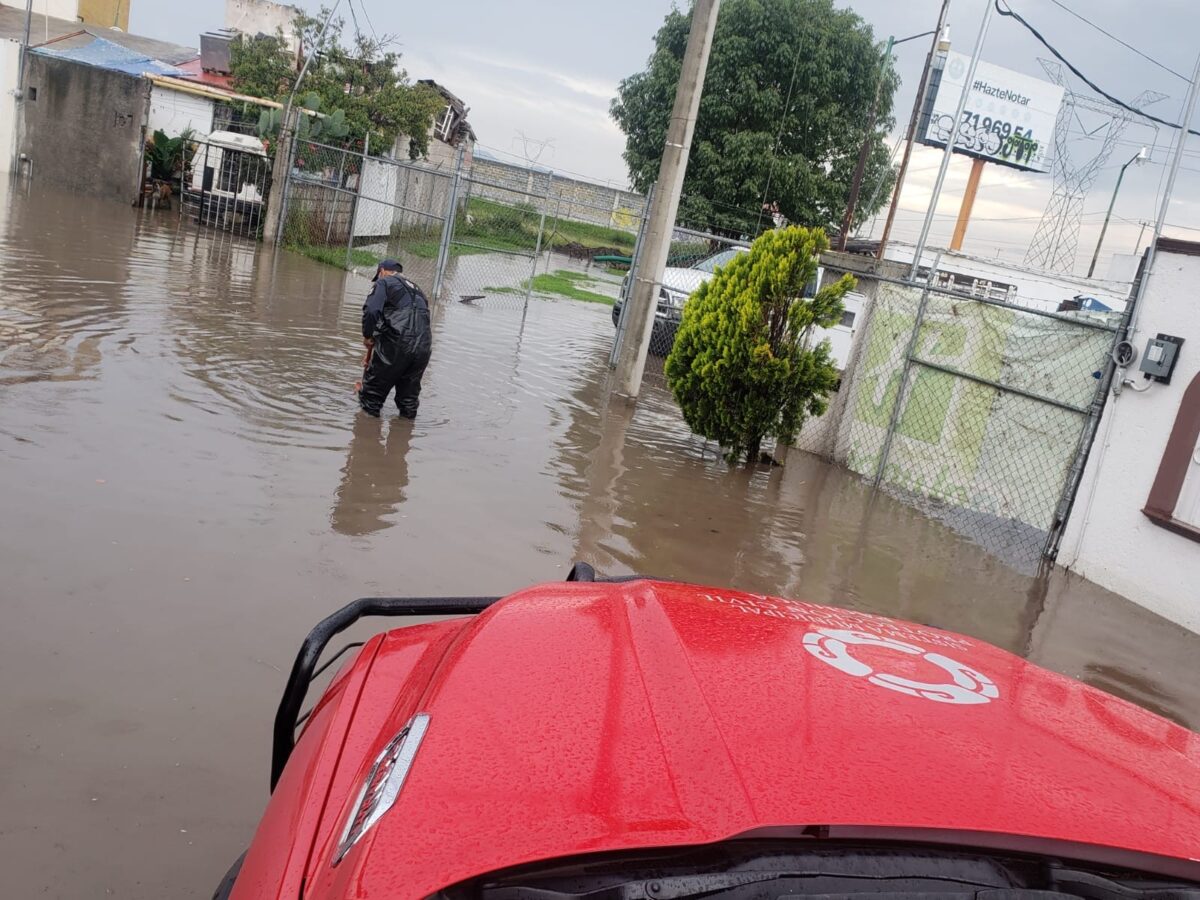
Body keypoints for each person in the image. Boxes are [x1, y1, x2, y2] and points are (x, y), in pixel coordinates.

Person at [358, 259, 432, 418]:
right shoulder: (418, 290)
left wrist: (368, 336)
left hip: (396, 345)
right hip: (423, 349)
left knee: (371, 397)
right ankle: (403, 437)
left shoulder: (384, 283)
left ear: (382, 271)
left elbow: (371, 311)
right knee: (408, 401)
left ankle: (366, 435)